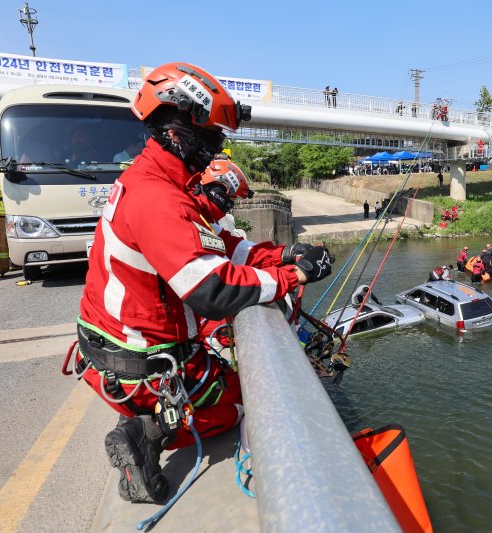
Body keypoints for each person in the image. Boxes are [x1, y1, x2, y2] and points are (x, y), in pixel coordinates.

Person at [74, 62, 334, 504]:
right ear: (177, 132)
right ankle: (147, 429)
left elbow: (223, 248)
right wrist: (296, 275)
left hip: (124, 347)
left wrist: (288, 254)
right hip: (141, 357)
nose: (216, 150)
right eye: (211, 138)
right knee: (241, 404)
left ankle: (143, 417)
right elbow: (213, 289)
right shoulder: (158, 199)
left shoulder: (164, 184)